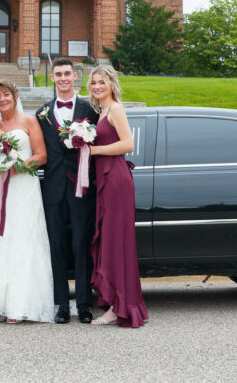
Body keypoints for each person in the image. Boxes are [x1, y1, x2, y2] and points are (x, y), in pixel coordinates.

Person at [0, 81, 54, 323]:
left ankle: (21, 304)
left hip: (24, 186)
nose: (2, 100)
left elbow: (41, 156)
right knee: (0, 240)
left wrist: (16, 166)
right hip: (0, 188)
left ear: (16, 96)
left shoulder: (29, 121)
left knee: (22, 239)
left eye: (6, 94)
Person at [36, 57, 100, 324]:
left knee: (81, 245)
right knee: (57, 246)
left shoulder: (89, 109)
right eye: (58, 74)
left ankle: (84, 304)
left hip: (81, 188)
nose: (63, 78)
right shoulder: (41, 113)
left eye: (67, 74)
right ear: (52, 78)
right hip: (52, 189)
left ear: (75, 77)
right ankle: (62, 304)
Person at [87, 65, 149, 328]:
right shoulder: (101, 112)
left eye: (102, 82)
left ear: (112, 84)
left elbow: (128, 144)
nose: (97, 86)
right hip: (105, 180)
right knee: (111, 241)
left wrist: (94, 151)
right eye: (93, 83)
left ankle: (120, 306)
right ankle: (115, 301)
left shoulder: (116, 109)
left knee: (116, 242)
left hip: (116, 180)